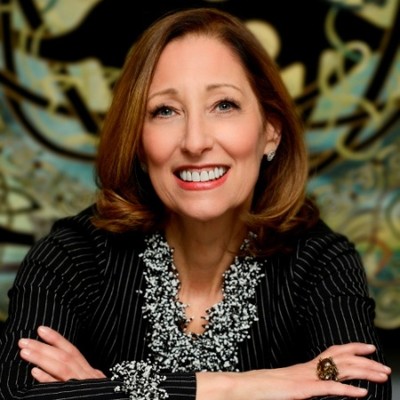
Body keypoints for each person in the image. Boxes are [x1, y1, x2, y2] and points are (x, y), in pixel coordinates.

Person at [0, 7, 392, 400]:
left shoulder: (320, 261)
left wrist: (99, 391)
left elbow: (362, 393)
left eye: (224, 105)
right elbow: (15, 393)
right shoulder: (74, 254)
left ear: (271, 130)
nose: (194, 141)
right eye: (165, 111)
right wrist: (237, 387)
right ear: (139, 142)